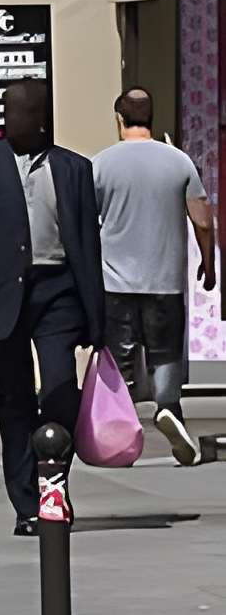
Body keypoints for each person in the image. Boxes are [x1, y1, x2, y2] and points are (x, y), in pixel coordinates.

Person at [0, 76, 105, 536]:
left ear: (40, 118)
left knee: (60, 392)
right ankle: (28, 506)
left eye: (18, 112)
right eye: (6, 111)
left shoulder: (74, 169)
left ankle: (54, 485)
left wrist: (98, 316)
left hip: (58, 295)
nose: (9, 120)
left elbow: (88, 244)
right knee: (13, 403)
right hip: (2, 298)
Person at [93, 88, 216, 465]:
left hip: (114, 282)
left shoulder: (101, 164)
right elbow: (202, 220)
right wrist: (208, 265)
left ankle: (118, 433)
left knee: (120, 364)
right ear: (151, 117)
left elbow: (84, 220)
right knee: (165, 357)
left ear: (119, 118)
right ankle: (168, 409)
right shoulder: (178, 161)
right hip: (164, 281)